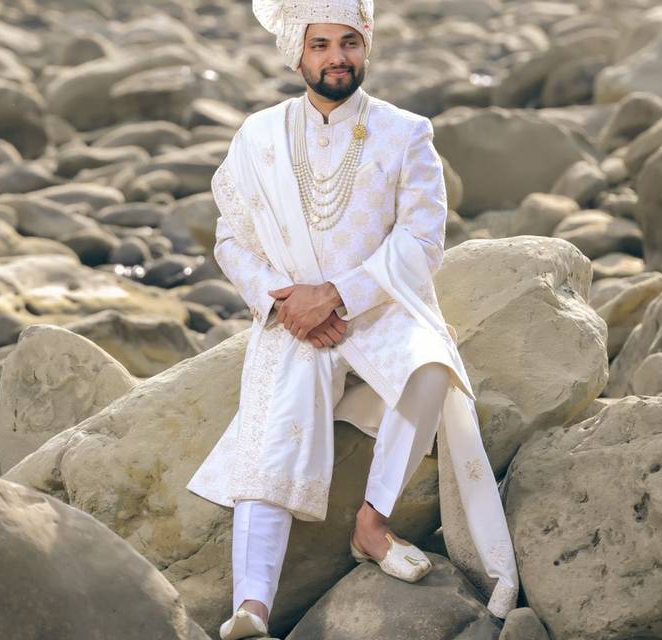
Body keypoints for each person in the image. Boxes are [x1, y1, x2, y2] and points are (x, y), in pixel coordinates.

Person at [185, 1, 519, 638]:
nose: (336, 57)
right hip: (293, 318)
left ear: (366, 49)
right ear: (298, 53)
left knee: (430, 367)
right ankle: (251, 607)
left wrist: (336, 296)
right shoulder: (257, 137)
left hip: (376, 303)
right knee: (272, 433)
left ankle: (373, 520)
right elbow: (232, 240)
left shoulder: (406, 132)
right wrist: (285, 303)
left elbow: (421, 243)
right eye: (321, 45)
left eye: (349, 43)